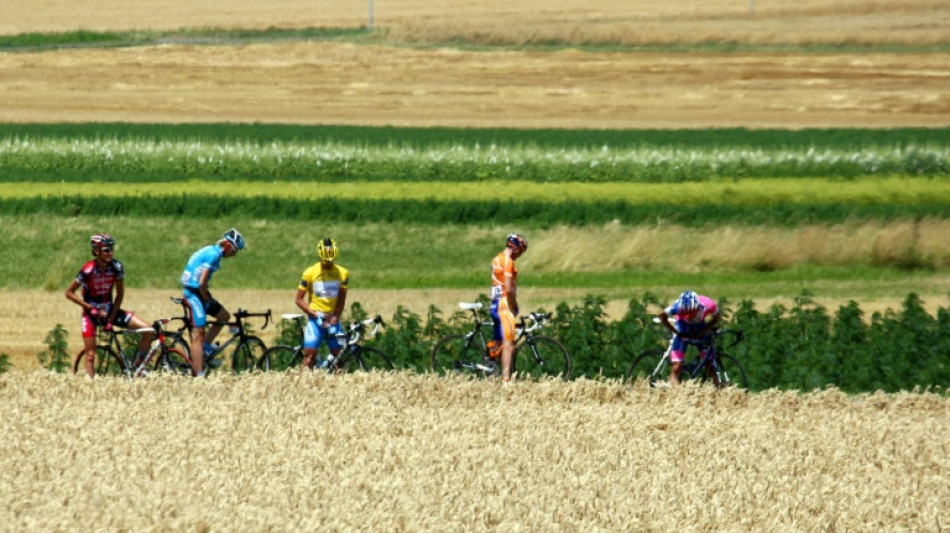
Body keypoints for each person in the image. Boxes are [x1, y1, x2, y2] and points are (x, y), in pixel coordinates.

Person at [65, 233, 155, 378]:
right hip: (91, 314)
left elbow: (119, 295)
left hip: (110, 310)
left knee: (148, 330)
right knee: (90, 355)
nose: (110, 253)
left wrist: (111, 320)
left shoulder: (116, 267)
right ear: (96, 251)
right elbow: (69, 293)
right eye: (106, 250)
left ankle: (139, 366)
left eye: (111, 249)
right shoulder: (88, 269)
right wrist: (90, 308)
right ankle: (90, 385)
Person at [180, 228, 245, 376]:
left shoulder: (212, 250)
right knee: (199, 333)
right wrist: (206, 299)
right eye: (235, 251)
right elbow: (202, 283)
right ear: (228, 246)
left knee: (224, 317)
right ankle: (199, 374)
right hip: (193, 293)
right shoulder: (214, 255)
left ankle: (206, 347)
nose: (234, 255)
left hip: (199, 292)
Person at [295, 237, 349, 371]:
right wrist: (313, 315)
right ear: (320, 257)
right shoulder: (310, 272)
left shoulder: (343, 273)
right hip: (315, 319)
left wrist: (335, 319)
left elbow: (341, 301)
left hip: (332, 319)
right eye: (325, 261)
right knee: (309, 356)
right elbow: (299, 299)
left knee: (339, 358)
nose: (328, 264)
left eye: (331, 261)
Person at [657, 290, 721, 385]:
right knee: (676, 366)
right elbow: (661, 316)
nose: (688, 316)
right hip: (683, 327)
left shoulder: (708, 304)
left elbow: (717, 317)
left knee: (709, 363)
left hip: (700, 327)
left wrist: (704, 330)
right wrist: (676, 332)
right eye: (684, 313)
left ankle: (718, 390)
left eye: (692, 313)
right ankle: (674, 393)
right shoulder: (676, 307)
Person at [489, 233, 528, 384]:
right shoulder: (508, 262)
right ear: (517, 249)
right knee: (508, 344)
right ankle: (506, 380)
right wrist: (515, 305)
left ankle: (491, 369)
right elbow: (509, 288)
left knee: (498, 342)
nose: (520, 256)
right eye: (521, 252)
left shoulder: (497, 258)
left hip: (494, 303)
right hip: (504, 304)